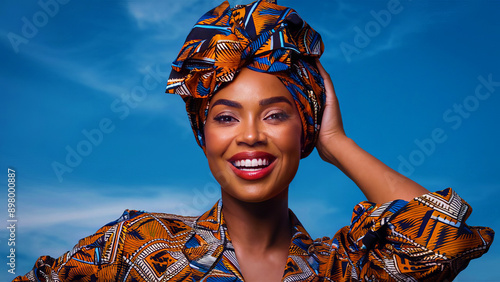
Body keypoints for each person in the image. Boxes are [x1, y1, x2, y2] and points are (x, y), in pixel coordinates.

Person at [14, 0, 493, 281]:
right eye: (224, 117)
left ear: (303, 127)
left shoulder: (340, 269)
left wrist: (336, 141)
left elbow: (444, 239)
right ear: (202, 135)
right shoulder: (135, 248)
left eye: (276, 114)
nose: (249, 136)